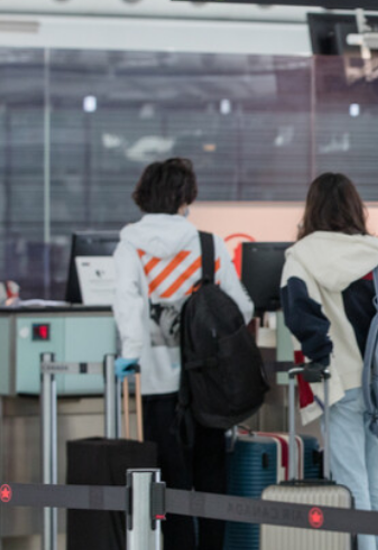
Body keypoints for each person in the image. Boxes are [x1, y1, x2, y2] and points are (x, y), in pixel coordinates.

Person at [112, 158, 253, 550]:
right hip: (207, 384)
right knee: (211, 481)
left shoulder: (130, 247)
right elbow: (240, 309)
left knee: (167, 486)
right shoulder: (208, 244)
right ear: (185, 197)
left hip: (156, 385)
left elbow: (126, 303)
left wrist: (133, 351)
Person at [281, 172, 378, 550]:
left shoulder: (302, 256)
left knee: (351, 485)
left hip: (340, 382)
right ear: (355, 207)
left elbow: (298, 316)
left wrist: (323, 356)